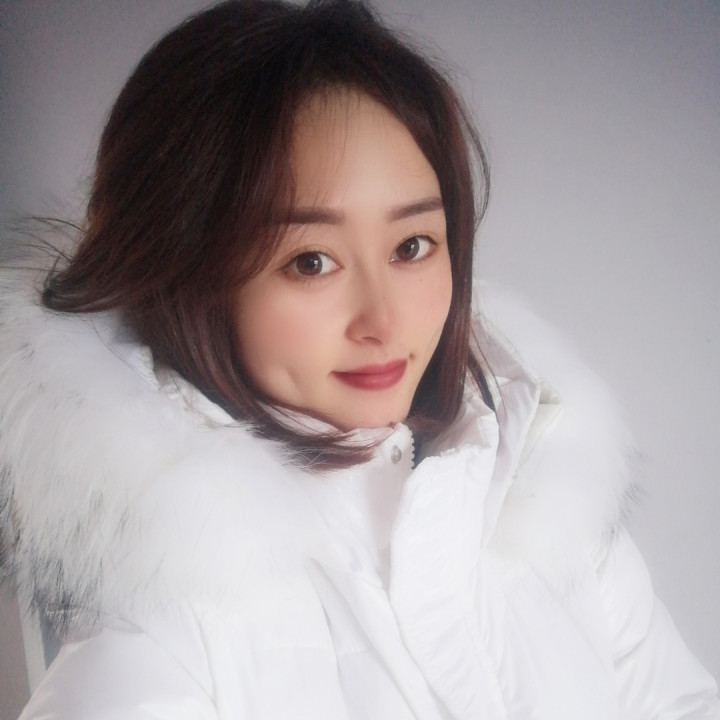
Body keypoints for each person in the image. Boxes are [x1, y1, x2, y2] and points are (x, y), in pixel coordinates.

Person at [0, 1, 717, 718]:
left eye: (412, 246)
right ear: (185, 276)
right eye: (311, 261)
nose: (384, 320)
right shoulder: (156, 637)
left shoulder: (545, 509)